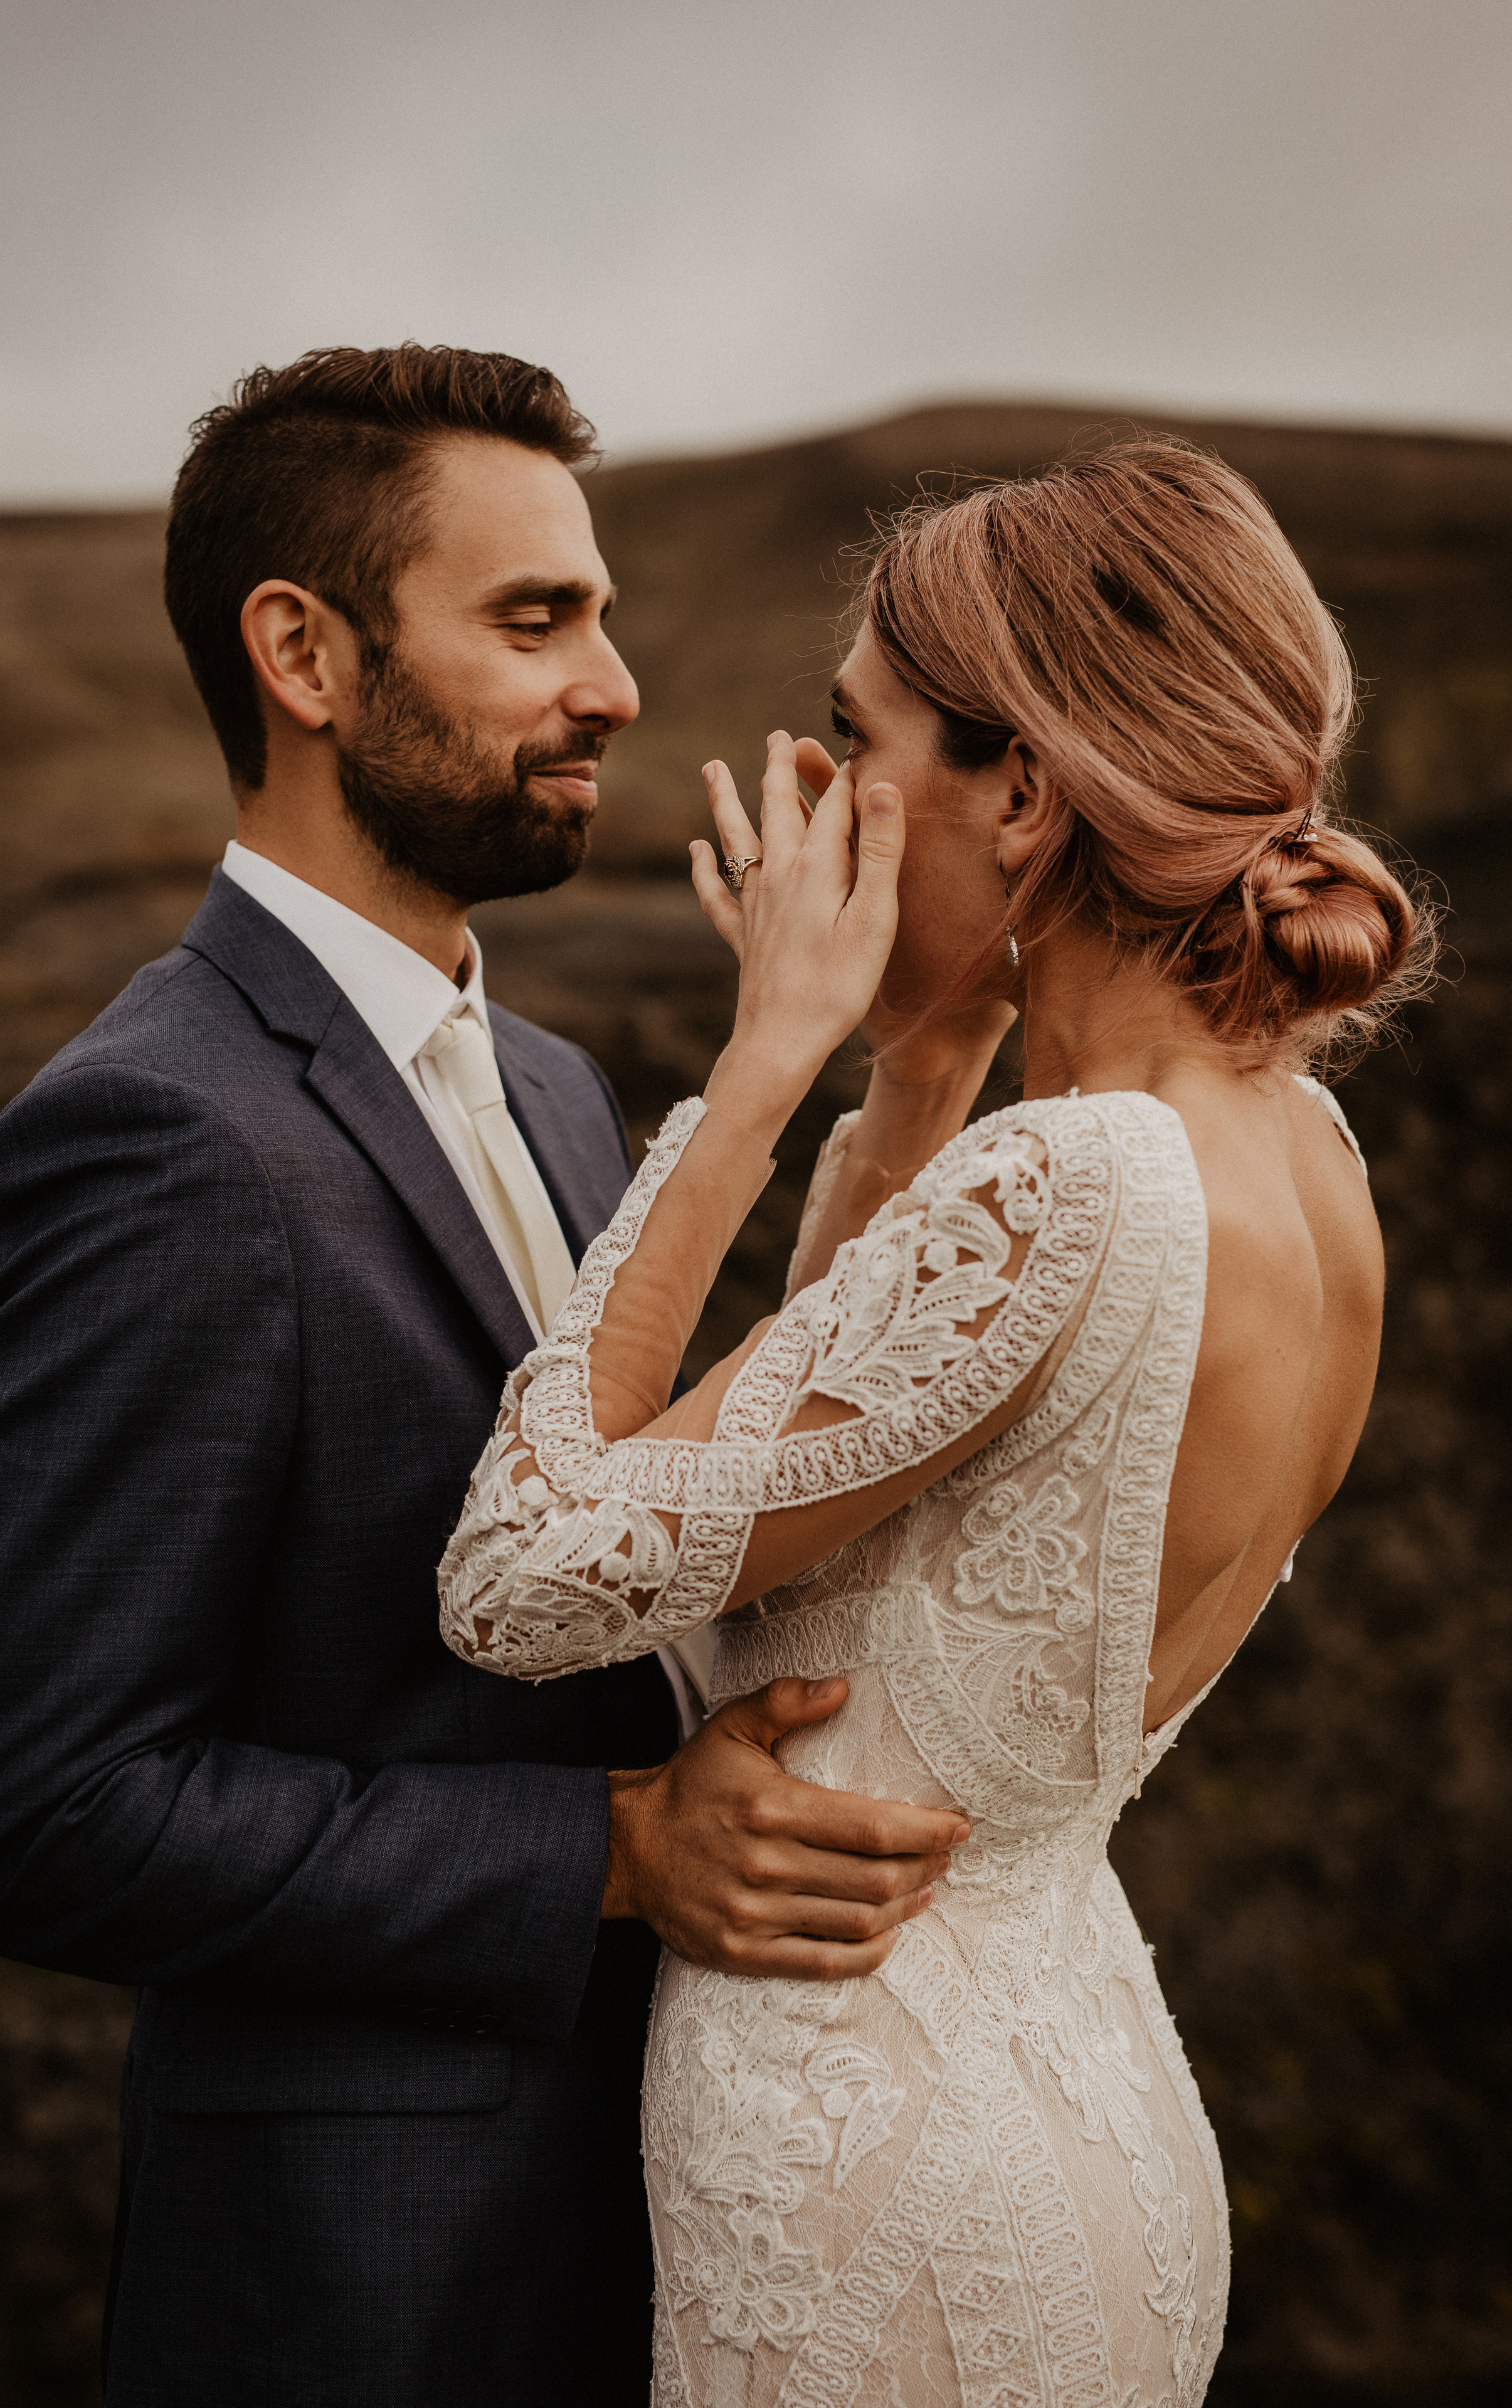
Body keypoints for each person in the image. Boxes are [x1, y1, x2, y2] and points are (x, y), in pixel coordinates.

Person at [0, 344, 968, 2408]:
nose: (619, 685)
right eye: (535, 620)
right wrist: (608, 1852)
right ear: (303, 656)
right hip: (361, 2295)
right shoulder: (151, 1137)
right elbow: (45, 1813)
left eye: (600, 612)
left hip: (671, 2222)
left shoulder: (567, 1095)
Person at [439, 438, 1429, 2405]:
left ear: (1033, 796)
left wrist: (758, 1073)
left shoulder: (1056, 1190)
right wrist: (921, 1063)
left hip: (873, 2186)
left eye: (853, 738)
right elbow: (872, 1457)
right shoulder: (1297, 1154)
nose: (810, 795)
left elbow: (522, 1584)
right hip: (1075, 2114)